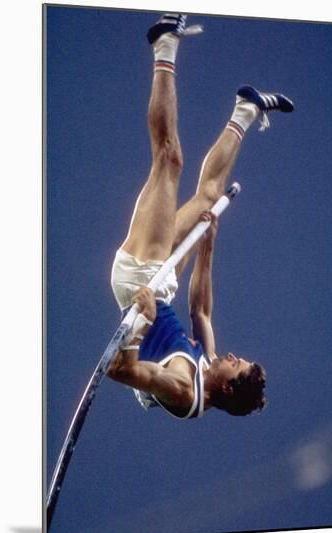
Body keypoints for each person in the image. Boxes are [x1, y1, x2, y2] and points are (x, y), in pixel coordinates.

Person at [107, 13, 294, 419]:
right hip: (164, 280)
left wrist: (140, 324)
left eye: (235, 362)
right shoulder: (205, 368)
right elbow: (201, 311)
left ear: (226, 385)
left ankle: (164, 46)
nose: (229, 354)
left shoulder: (181, 390)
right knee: (208, 197)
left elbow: (121, 370)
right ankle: (246, 110)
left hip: (141, 277)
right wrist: (207, 244)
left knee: (169, 159)